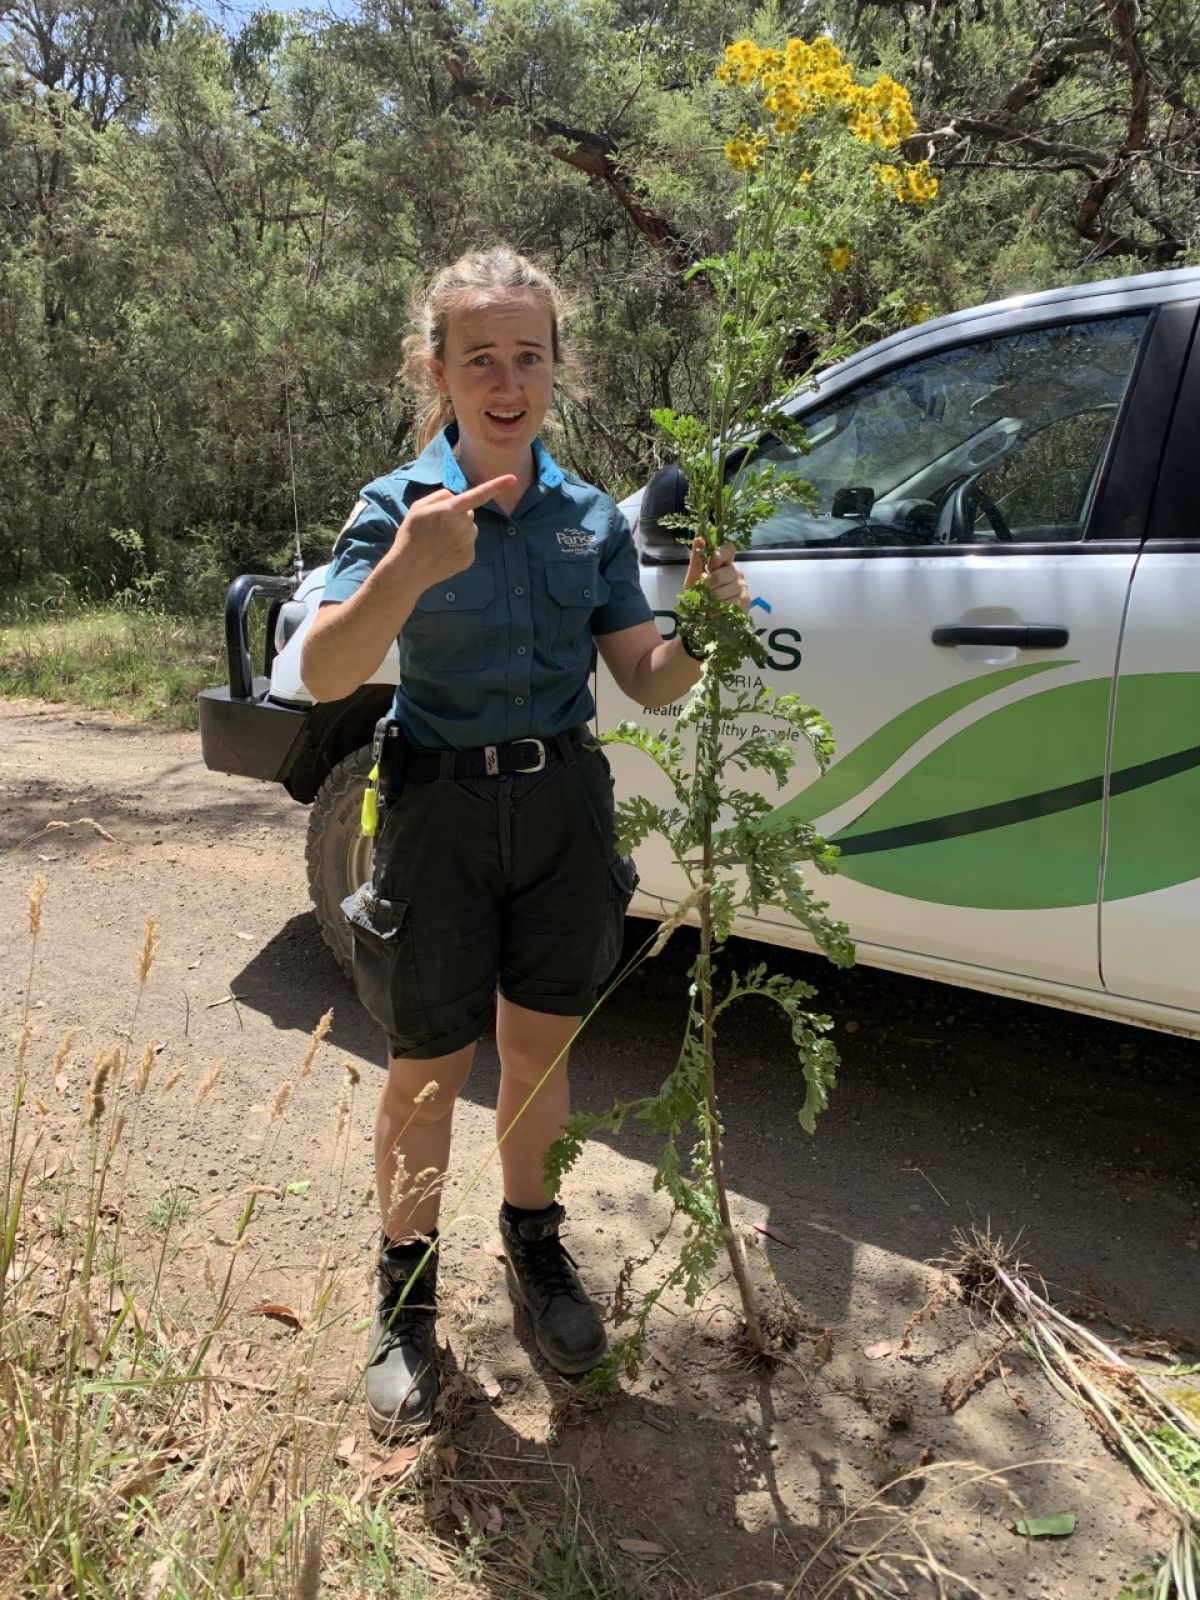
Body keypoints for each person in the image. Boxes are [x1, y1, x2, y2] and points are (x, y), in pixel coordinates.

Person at [300, 245, 749, 1438]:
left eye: (529, 357)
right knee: (428, 1066)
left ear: (558, 368)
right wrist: (406, 570)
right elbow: (324, 668)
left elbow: (647, 682)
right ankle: (403, 1292)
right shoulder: (397, 508)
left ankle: (534, 1250)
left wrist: (703, 624)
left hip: (561, 809)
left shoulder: (589, 517)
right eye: (480, 358)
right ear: (437, 369)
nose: (507, 381)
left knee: (539, 1061)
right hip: (437, 815)